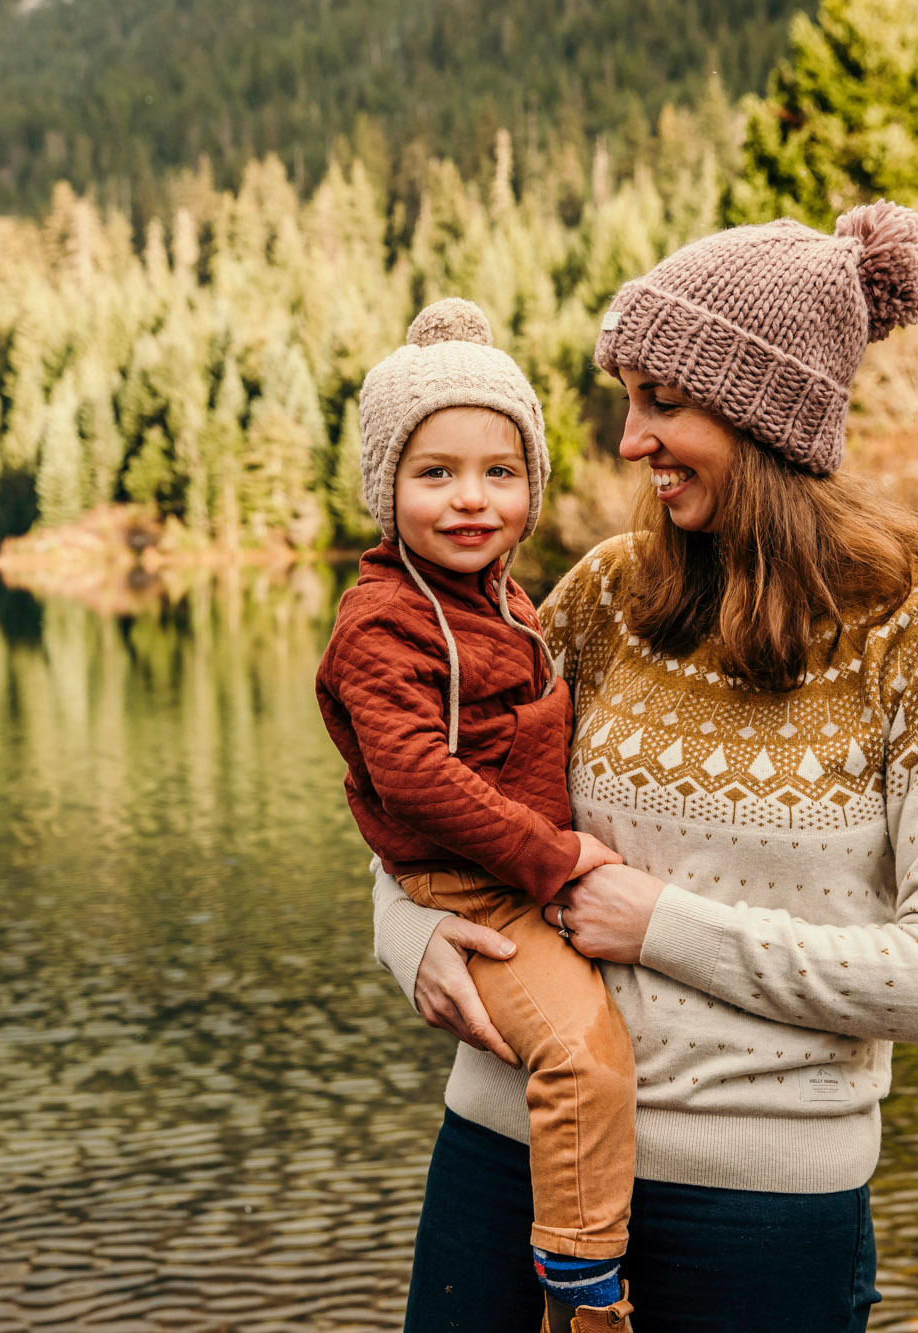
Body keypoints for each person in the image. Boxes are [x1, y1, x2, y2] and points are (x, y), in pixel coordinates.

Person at [372, 201, 918, 1332]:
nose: (628, 440)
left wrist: (658, 922)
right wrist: (408, 932)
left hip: (760, 1216)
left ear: (759, 415)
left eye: (661, 403)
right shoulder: (601, 598)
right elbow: (426, 786)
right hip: (503, 1158)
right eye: (629, 399)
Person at [315, 297, 645, 1330]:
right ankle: (583, 1286)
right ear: (385, 488)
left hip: (507, 872)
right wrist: (551, 860)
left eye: (499, 473)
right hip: (483, 889)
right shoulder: (383, 622)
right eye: (434, 473)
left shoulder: (499, 598)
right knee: (582, 1055)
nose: (470, 500)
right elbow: (413, 779)